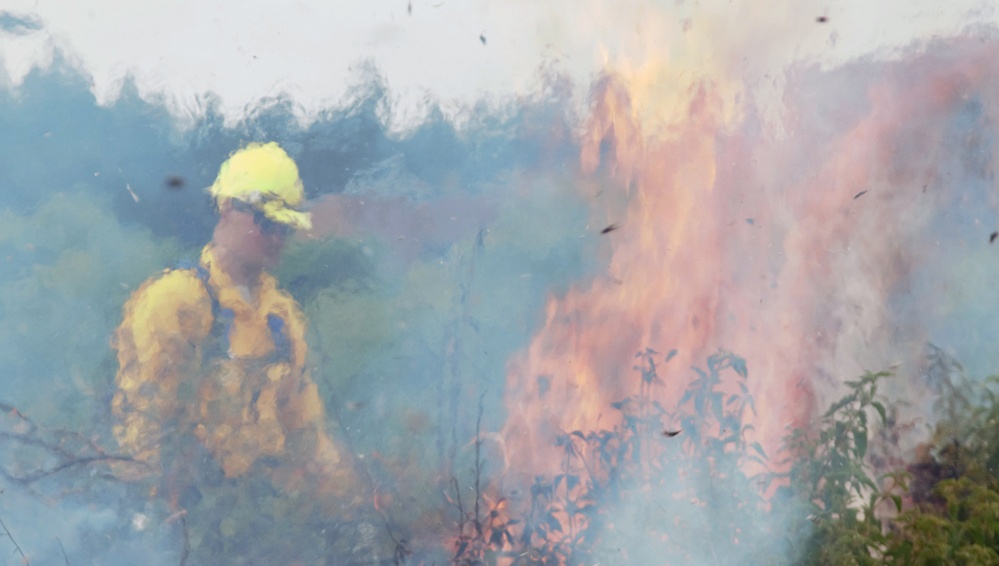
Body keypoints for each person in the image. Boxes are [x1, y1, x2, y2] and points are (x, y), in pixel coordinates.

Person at [110, 142, 364, 515]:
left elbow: (309, 437)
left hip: (263, 514)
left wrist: (356, 505)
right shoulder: (176, 300)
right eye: (266, 223)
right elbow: (147, 430)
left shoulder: (281, 317)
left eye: (285, 228)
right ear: (228, 208)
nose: (277, 238)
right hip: (189, 515)